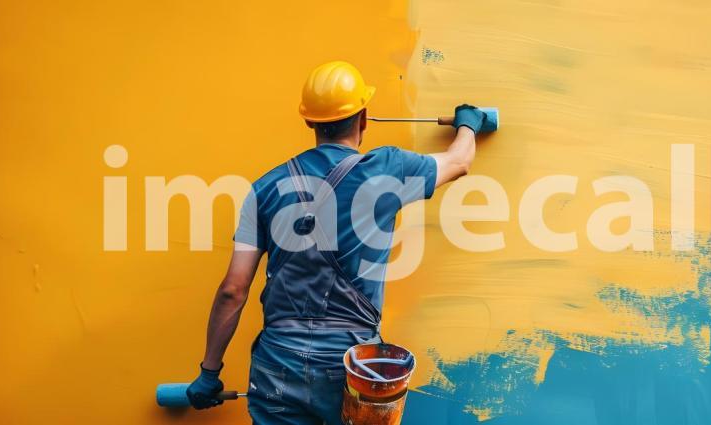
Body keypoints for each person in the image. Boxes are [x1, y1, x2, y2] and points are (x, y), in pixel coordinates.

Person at [186, 60, 487, 424]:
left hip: (277, 365)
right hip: (352, 369)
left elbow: (234, 289)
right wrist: (469, 122)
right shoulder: (386, 170)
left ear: (309, 121)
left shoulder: (263, 189)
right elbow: (459, 161)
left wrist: (209, 372)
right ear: (363, 118)